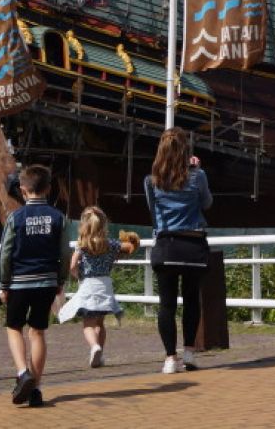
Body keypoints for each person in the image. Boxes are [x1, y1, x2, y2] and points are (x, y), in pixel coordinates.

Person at [0, 165, 69, 408]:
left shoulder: (15, 218)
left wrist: (4, 283)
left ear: (22, 190)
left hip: (19, 281)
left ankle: (22, 373)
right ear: (49, 189)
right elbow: (64, 252)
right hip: (47, 281)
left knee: (14, 327)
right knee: (38, 332)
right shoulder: (58, 218)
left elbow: (6, 253)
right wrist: (60, 280)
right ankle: (36, 388)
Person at [145, 127, 213, 374]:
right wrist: (196, 170)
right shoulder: (198, 176)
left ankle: (170, 358)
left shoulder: (151, 181)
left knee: (167, 305)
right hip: (193, 245)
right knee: (192, 300)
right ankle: (190, 352)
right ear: (186, 150)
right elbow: (207, 203)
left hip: (166, 246)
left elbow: (153, 214)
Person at [58, 206, 139, 368]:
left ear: (84, 226)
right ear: (104, 225)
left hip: (88, 284)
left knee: (88, 324)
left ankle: (94, 346)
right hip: (105, 285)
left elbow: (73, 265)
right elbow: (129, 248)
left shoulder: (82, 245)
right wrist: (132, 240)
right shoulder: (111, 244)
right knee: (100, 323)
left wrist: (76, 274)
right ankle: (100, 352)